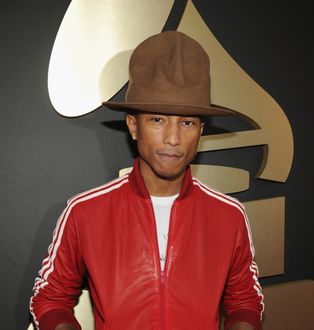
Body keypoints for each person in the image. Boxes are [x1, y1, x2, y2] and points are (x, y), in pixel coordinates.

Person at [30, 31, 264, 330]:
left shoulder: (229, 214)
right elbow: (49, 298)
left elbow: (244, 300)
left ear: (200, 131)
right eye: (157, 119)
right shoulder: (84, 211)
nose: (173, 138)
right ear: (133, 126)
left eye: (187, 122)